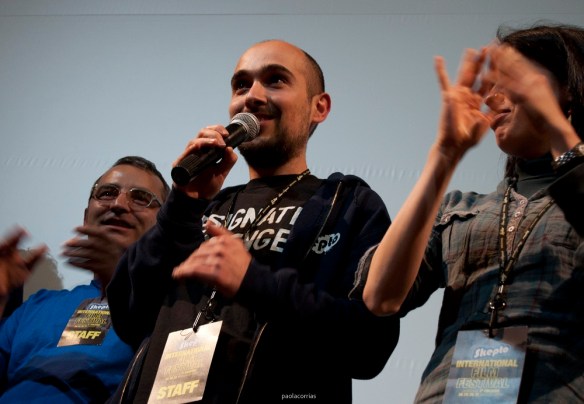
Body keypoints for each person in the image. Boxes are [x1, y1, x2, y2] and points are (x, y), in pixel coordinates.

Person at [107, 39, 399, 403]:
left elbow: (370, 344)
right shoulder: (197, 210)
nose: (253, 97)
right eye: (241, 85)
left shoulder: (347, 205)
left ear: (319, 107)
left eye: (275, 80)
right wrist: (180, 209)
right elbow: (129, 317)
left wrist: (254, 281)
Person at [359, 23, 584, 402]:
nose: (491, 98)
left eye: (511, 80)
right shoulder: (461, 208)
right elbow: (381, 297)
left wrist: (558, 128)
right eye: (490, 86)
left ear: (566, 88)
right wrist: (445, 154)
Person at [0, 156, 170, 403]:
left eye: (141, 198)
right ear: (86, 216)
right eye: (107, 193)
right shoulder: (37, 305)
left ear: (165, 226)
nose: (119, 204)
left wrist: (118, 282)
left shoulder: (174, 306)